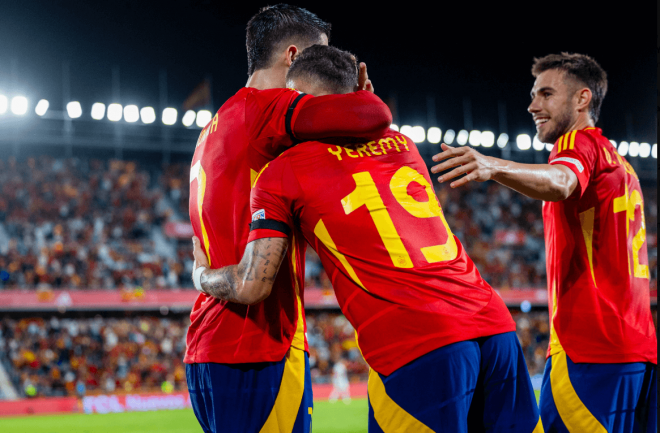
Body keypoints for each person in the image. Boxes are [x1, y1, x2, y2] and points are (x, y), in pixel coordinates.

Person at [191, 45, 541, 433]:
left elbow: (252, 284)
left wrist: (202, 275)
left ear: (299, 102)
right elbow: (366, 121)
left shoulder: (282, 173)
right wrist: (364, 95)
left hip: (416, 343)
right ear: (359, 83)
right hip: (494, 326)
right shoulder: (404, 145)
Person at [185, 5, 392, 433]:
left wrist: (202, 276)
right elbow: (374, 116)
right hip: (258, 346)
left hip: (210, 346)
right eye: (317, 57)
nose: (325, 71)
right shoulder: (268, 108)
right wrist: (359, 93)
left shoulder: (217, 124)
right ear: (293, 56)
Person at [430, 52, 657, 432]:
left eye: (546, 94)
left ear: (582, 99)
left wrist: (493, 165)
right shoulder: (618, 161)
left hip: (590, 349)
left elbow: (561, 181)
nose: (533, 105)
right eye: (534, 94)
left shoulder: (577, 143)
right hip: (636, 350)